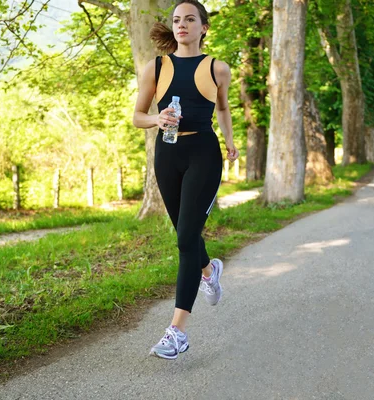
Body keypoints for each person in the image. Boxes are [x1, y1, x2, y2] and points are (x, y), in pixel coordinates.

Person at [132, 0, 239, 360]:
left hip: (203, 155)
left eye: (189, 19)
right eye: (177, 20)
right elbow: (137, 116)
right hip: (168, 154)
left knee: (184, 239)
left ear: (203, 27)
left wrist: (230, 141)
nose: (182, 25)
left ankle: (177, 331)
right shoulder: (157, 67)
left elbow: (222, 108)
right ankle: (209, 268)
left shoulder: (218, 68)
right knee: (185, 235)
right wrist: (157, 120)